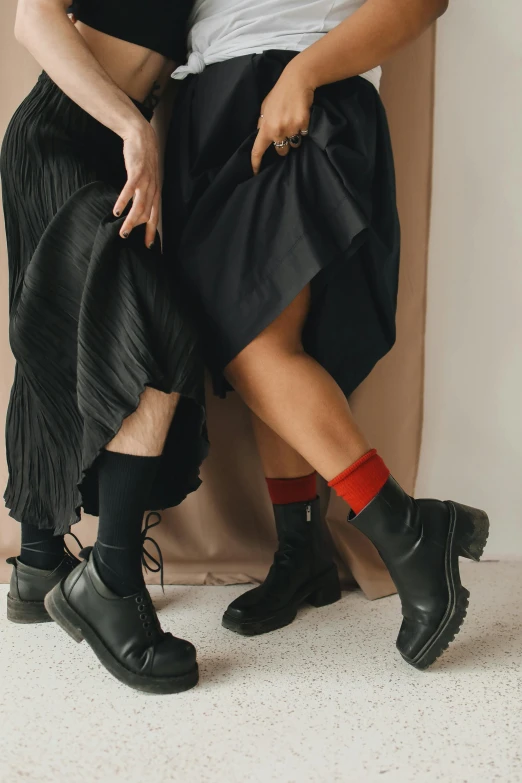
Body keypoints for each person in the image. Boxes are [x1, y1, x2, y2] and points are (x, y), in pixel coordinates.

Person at [163, 0, 490, 669]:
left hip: (300, 85)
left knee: (255, 341)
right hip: (212, 103)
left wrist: (307, 73)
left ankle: (406, 529)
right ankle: (301, 551)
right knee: (260, 334)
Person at [1, 0, 207, 694]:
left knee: (59, 333)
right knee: (147, 330)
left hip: (116, 149)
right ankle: (110, 583)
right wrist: (131, 124)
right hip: (61, 135)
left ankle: (37, 566)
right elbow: (31, 19)